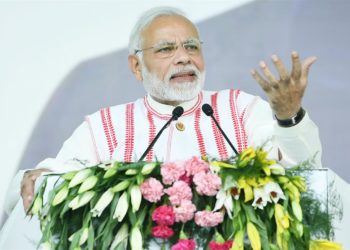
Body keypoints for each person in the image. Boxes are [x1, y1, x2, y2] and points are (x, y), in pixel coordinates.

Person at [15, 6, 321, 216]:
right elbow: (53, 176)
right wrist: (41, 176)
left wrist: (289, 117)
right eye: (165, 49)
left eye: (191, 47)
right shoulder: (106, 127)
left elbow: (304, 171)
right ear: (136, 66)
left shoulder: (238, 108)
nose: (183, 58)